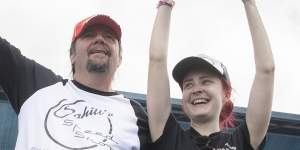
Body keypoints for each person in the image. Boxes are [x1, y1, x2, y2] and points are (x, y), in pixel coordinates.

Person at [0, 14, 151, 149]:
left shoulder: (136, 115)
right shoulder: (36, 86)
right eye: (89, 35)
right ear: (72, 55)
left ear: (119, 59)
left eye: (109, 37)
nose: (100, 39)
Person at [147, 0, 275, 149]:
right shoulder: (168, 137)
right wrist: (165, 4)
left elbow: (266, 70)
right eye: (188, 85)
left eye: (206, 81)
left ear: (226, 94)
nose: (196, 89)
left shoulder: (242, 141)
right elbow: (157, 59)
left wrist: (250, 4)